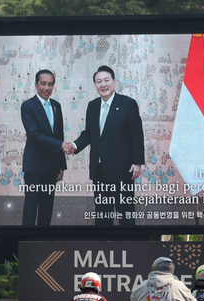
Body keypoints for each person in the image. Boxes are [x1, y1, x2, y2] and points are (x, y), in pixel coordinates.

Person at [66, 65, 145, 226]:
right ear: (95, 85)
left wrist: (137, 162)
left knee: (126, 213)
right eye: (99, 81)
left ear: (114, 82)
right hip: (99, 170)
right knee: (102, 214)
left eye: (106, 80)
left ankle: (130, 248)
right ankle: (103, 246)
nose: (103, 85)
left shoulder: (127, 104)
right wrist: (74, 145)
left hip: (123, 170)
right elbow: (89, 133)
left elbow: (137, 134)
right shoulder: (93, 106)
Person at [21, 69, 67, 226]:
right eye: (43, 84)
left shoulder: (56, 106)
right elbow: (34, 134)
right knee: (31, 207)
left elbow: (59, 135)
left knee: (47, 208)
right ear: (36, 85)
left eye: (50, 84)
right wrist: (60, 145)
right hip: (34, 167)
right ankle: (27, 243)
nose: (47, 88)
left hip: (52, 167)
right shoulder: (27, 106)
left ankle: (43, 243)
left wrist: (61, 165)